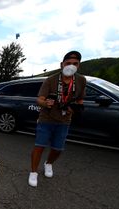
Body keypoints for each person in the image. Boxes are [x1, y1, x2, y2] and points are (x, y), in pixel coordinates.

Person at [28, 50, 86, 187]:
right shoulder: (51, 80)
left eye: (75, 63)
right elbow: (39, 99)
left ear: (79, 66)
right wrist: (45, 103)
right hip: (46, 118)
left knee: (58, 148)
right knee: (39, 146)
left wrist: (76, 108)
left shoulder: (81, 81)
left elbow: (80, 100)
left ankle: (48, 163)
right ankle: (33, 172)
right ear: (62, 64)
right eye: (68, 63)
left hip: (65, 120)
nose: (71, 66)